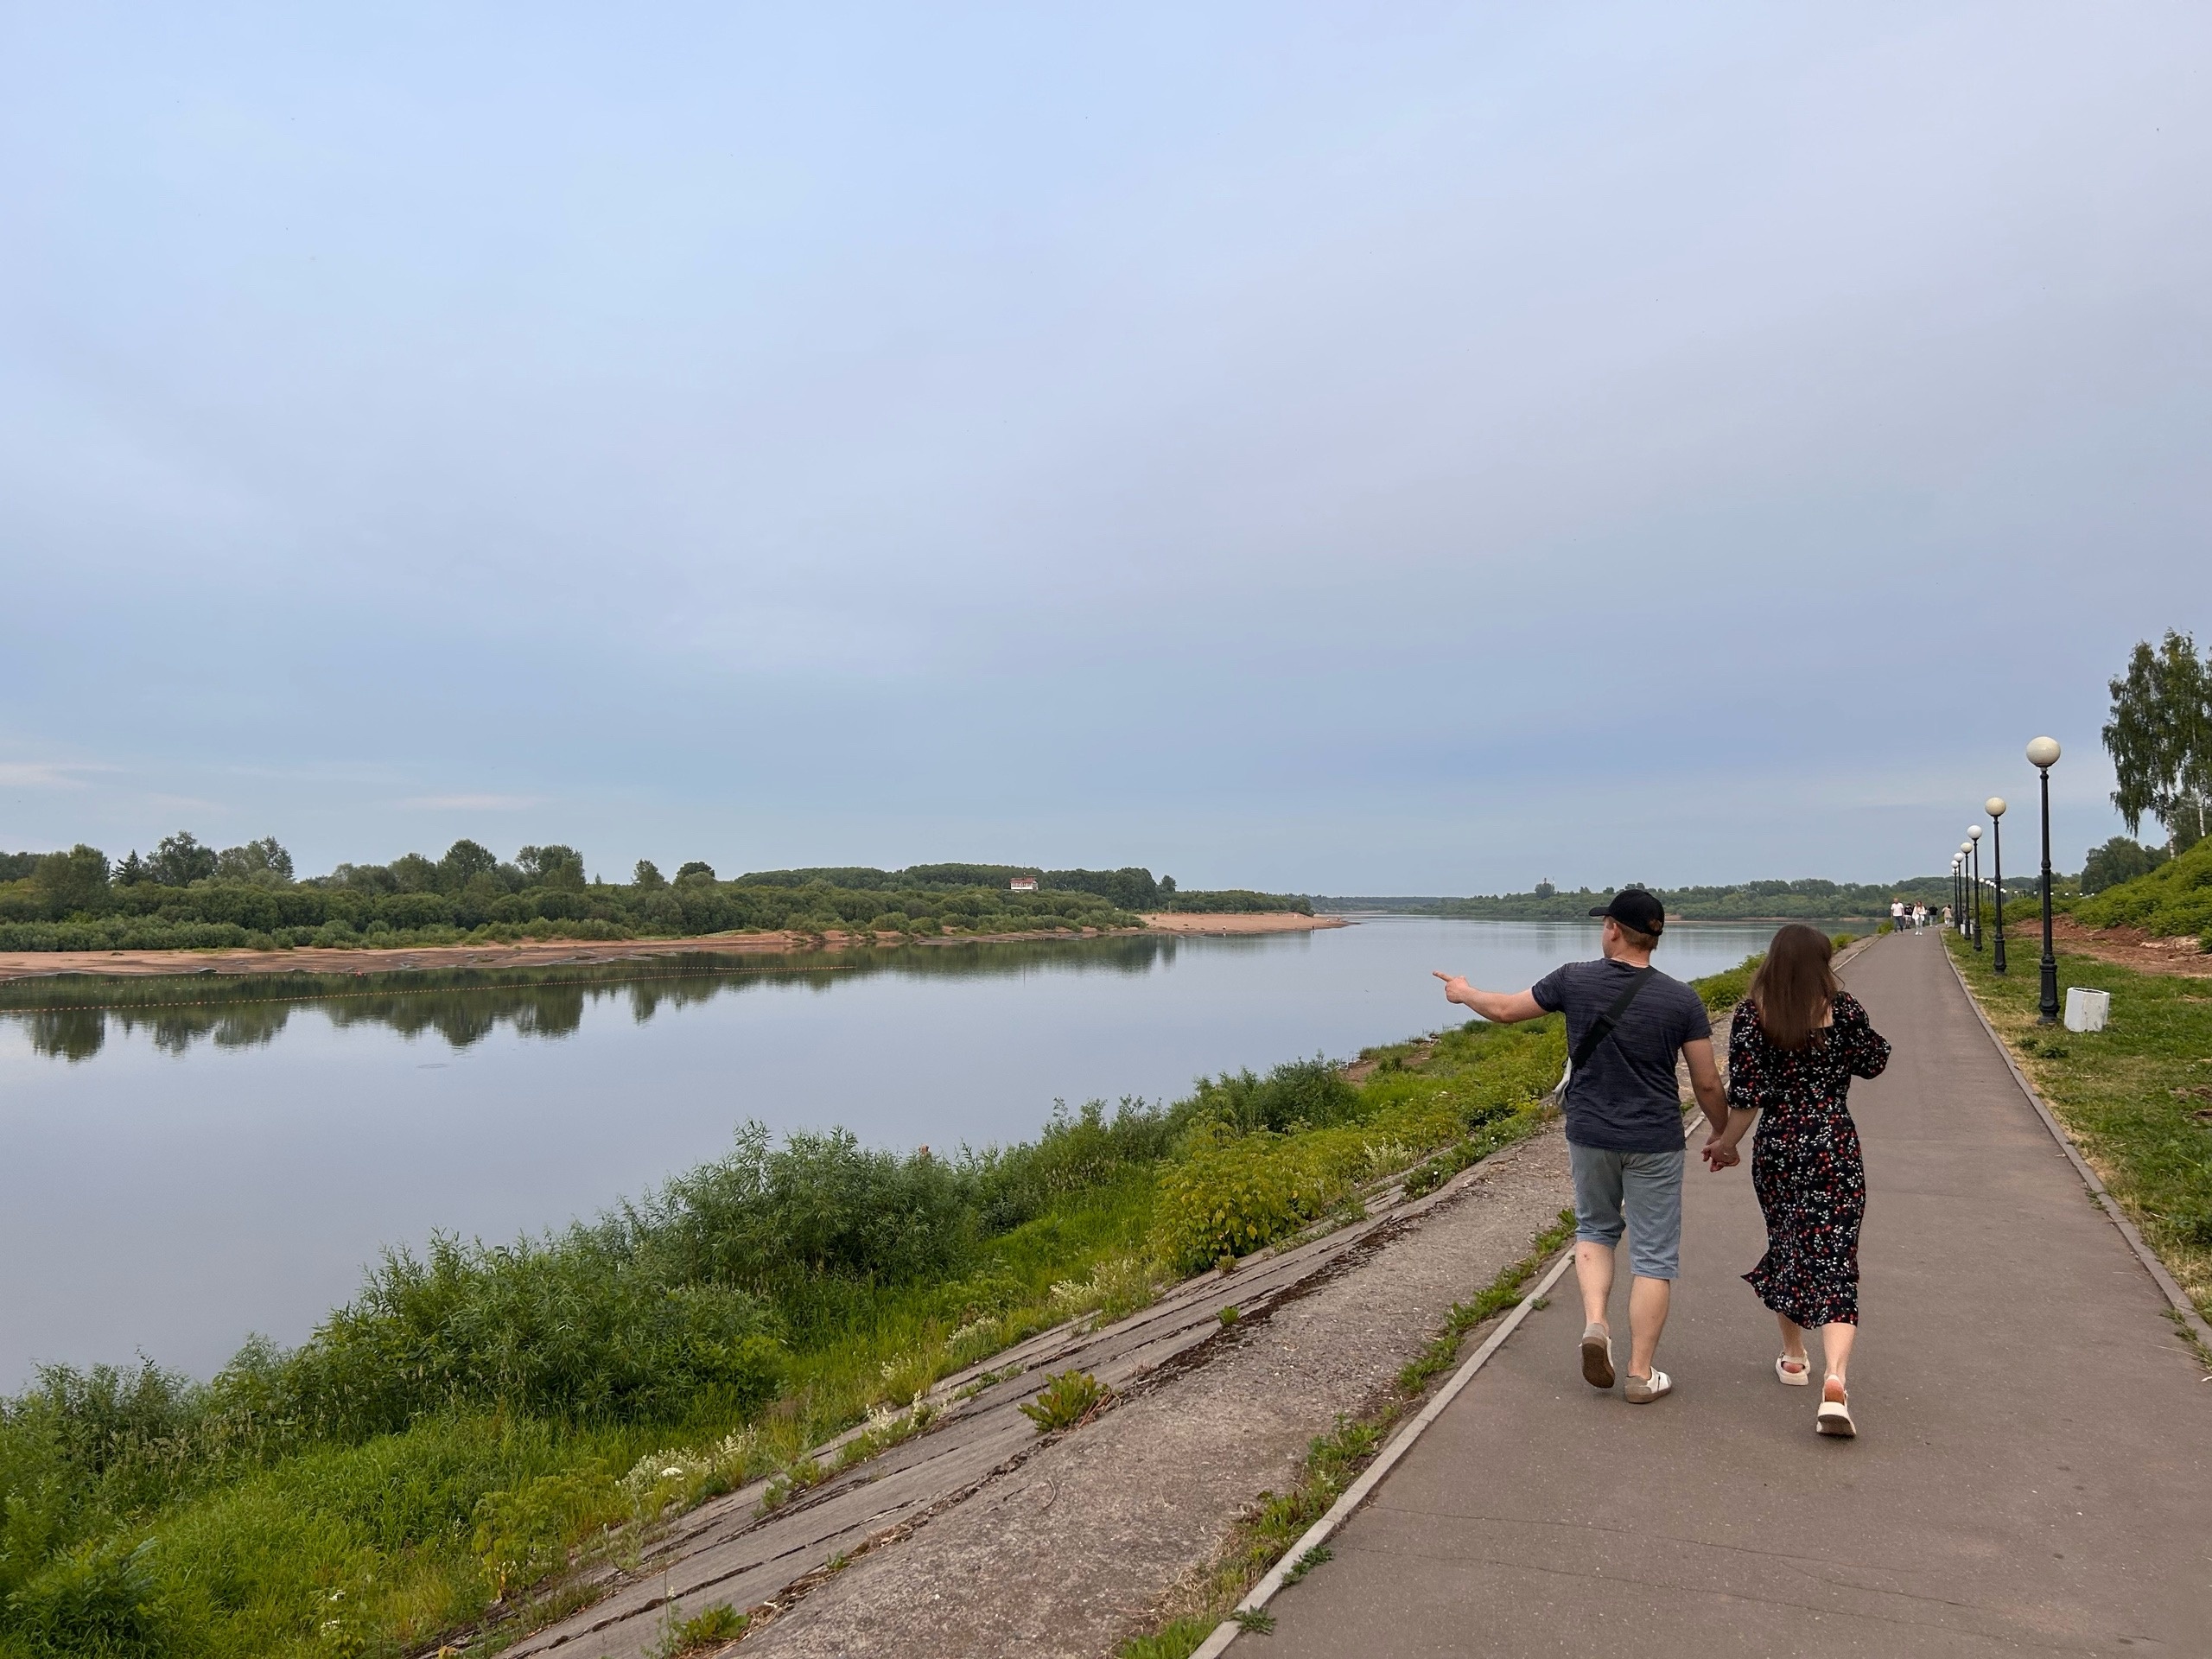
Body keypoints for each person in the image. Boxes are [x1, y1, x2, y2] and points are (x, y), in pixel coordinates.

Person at [1435, 888, 1728, 1404]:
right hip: (1655, 1138)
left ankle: (1596, 1324)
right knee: (1654, 1257)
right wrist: (1723, 1133)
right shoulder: (1682, 999)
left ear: (1613, 929)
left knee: (1595, 1229)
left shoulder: (1573, 979)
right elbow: (1705, 1081)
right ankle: (1640, 1374)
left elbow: (1504, 1011)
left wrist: (1463, 992)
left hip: (1591, 1133)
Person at [1700, 924, 1891, 1437]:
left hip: (1780, 1147)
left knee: (1787, 1244)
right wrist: (1843, 1026)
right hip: (1834, 1145)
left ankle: (1792, 1356)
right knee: (1836, 1257)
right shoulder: (1844, 1011)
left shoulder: (1753, 1015)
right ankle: (1835, 1380)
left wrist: (1726, 1145)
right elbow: (1875, 1061)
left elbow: (1747, 1097)